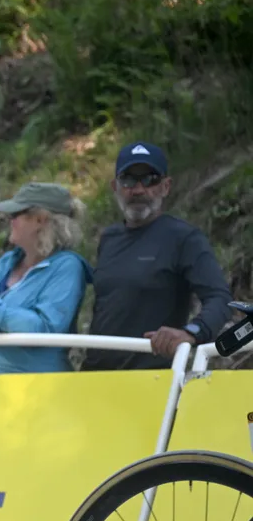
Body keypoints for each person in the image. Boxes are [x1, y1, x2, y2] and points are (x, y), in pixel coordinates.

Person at [81, 142, 232, 371]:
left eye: (150, 179)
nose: (139, 189)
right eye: (128, 180)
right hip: (93, 379)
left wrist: (191, 333)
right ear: (115, 186)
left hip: (152, 381)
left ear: (165, 186)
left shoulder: (184, 238)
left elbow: (220, 298)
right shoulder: (108, 238)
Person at [0, 183, 92, 374]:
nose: (9, 220)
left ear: (40, 220)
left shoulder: (67, 267)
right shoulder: (6, 262)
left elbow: (46, 329)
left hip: (37, 393)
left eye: (15, 214)